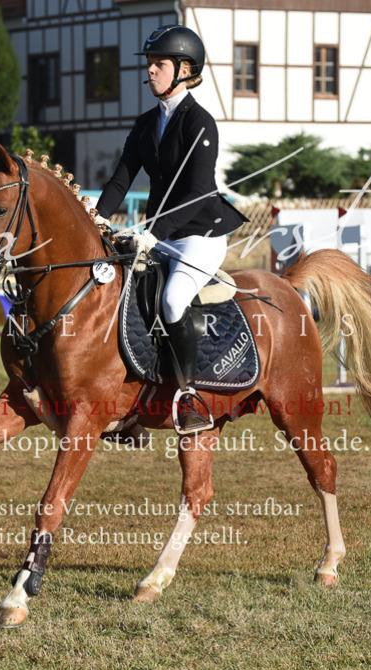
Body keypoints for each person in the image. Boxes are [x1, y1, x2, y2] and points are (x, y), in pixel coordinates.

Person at [95, 25, 248, 434]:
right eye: (148, 64)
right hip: (158, 234)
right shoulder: (146, 123)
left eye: (158, 64)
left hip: (200, 235)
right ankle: (135, 402)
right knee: (124, 296)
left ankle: (189, 396)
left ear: (184, 69)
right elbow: (120, 180)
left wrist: (155, 232)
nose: (150, 71)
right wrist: (98, 217)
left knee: (174, 299)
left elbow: (198, 193)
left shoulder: (200, 122)